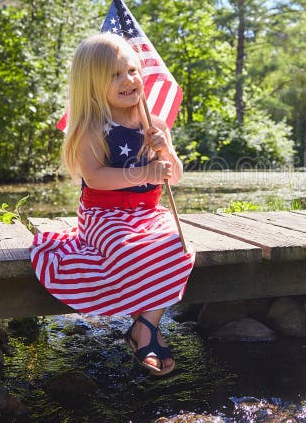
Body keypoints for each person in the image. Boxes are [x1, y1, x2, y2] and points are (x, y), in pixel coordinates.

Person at [30, 32, 194, 377]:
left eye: (132, 71)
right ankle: (146, 328)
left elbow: (174, 175)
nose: (128, 80)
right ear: (92, 85)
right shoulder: (93, 128)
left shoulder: (156, 125)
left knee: (179, 246)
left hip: (149, 213)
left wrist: (164, 149)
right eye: (115, 75)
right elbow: (95, 178)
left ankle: (144, 325)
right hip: (104, 215)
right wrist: (144, 171)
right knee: (126, 250)